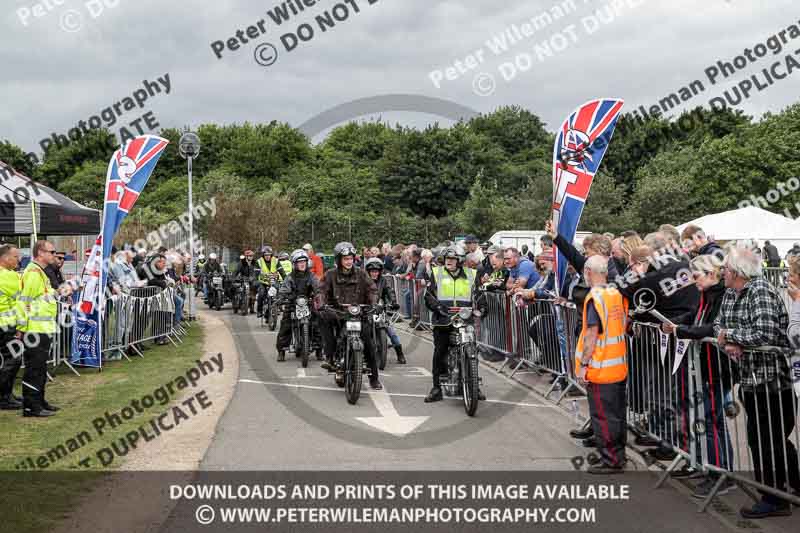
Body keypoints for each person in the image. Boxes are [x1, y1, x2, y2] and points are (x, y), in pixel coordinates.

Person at [714, 246, 800, 519]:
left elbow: (764, 333)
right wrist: (729, 337)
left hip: (774, 381)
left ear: (738, 272)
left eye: (725, 268)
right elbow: (718, 325)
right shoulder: (731, 292)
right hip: (750, 379)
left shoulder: (760, 290)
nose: (721, 272)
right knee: (764, 438)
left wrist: (734, 337)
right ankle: (790, 487)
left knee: (768, 440)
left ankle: (775, 498)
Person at [662, 254, 737, 497]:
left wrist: (681, 329)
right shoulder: (707, 294)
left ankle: (720, 473)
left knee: (710, 419)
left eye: (696, 276)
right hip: (707, 366)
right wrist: (674, 324)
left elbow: (712, 327)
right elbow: (695, 316)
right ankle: (719, 470)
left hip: (719, 367)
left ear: (712, 273)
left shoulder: (722, 295)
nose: (693, 282)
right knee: (712, 420)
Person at [575, 255, 628, 474]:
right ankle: (618, 455)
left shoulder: (595, 297)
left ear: (588, 272)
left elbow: (591, 334)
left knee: (603, 417)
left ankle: (611, 460)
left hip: (601, 367)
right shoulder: (615, 293)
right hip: (618, 365)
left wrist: (584, 364)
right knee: (616, 415)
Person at [422, 246, 484, 403]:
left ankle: (474, 385)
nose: (449, 261)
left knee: (471, 348)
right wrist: (437, 307)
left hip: (464, 320)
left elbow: (479, 295)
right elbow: (428, 296)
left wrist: (482, 308)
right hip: (443, 320)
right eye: (447, 258)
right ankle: (436, 388)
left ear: (460, 261)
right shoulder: (437, 273)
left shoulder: (471, 274)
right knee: (439, 352)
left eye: (453, 259)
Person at [318, 242, 382, 390]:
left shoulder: (361, 273)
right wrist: (322, 304)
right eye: (345, 258)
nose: (349, 261)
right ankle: (330, 357)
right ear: (339, 259)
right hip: (338, 314)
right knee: (324, 322)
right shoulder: (330, 274)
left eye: (351, 258)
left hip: (358, 315)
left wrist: (374, 303)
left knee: (370, 345)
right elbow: (321, 291)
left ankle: (374, 378)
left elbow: (372, 289)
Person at [19, 240, 60, 417]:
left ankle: (40, 401)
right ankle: (31, 406)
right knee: (34, 369)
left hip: (42, 327)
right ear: (40, 253)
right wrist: (21, 328)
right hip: (34, 329)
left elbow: (44, 296)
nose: (54, 255)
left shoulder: (40, 273)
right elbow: (24, 301)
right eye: (51, 251)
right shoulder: (34, 273)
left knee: (41, 368)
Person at [275, 249, 321, 362]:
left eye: (304, 262)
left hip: (308, 304)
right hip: (292, 303)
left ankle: (320, 349)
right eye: (299, 262)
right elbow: (284, 289)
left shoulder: (311, 276)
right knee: (285, 324)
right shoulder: (290, 277)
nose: (302, 264)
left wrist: (320, 297)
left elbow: (318, 288)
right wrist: (281, 298)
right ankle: (281, 350)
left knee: (317, 323)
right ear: (294, 264)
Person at [364, 257, 406, 364]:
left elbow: (390, 291)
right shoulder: (363, 281)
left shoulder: (384, 280)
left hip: (379, 309)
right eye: (372, 271)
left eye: (376, 271)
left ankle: (400, 354)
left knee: (391, 332)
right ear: (368, 271)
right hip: (366, 310)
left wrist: (394, 302)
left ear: (380, 271)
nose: (374, 273)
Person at [0, 244, 24, 410]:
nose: (19, 259)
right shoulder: (9, 276)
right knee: (12, 360)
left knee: (9, 360)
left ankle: (7, 394)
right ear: (6, 258)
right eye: (16, 257)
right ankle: (4, 397)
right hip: (6, 324)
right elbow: (22, 300)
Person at [255, 246, 286, 319]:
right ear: (263, 255)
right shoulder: (259, 261)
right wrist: (255, 281)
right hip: (263, 283)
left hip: (274, 282)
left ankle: (276, 308)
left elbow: (282, 272)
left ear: (271, 255)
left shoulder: (276, 261)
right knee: (261, 294)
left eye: (269, 255)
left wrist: (286, 280)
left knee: (278, 294)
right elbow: (255, 274)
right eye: (265, 255)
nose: (267, 256)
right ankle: (259, 310)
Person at [234, 249, 259, 315]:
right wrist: (234, 277)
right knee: (239, 290)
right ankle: (238, 303)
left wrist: (255, 277)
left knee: (253, 293)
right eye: (249, 256)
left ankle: (252, 308)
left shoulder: (255, 263)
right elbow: (236, 271)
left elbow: (258, 271)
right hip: (243, 279)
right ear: (246, 256)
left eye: (252, 256)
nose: (251, 257)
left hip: (252, 279)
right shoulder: (242, 263)